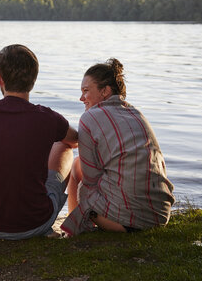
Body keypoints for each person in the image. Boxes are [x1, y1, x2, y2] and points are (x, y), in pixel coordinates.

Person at [0, 44, 78, 240]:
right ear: (34, 81)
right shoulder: (47, 118)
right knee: (63, 147)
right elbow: (75, 140)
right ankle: (73, 215)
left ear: (1, 78)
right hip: (34, 223)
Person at [61, 58, 175, 236]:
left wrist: (85, 206)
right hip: (159, 216)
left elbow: (90, 181)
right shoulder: (136, 113)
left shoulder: (90, 118)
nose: (81, 98)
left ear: (105, 91)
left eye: (86, 91)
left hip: (127, 224)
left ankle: (74, 230)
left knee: (77, 170)